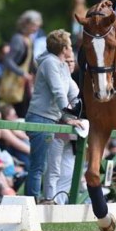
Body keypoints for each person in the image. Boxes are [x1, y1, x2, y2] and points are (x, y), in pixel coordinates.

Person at [24, 29, 84, 202]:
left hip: (51, 118)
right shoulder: (50, 63)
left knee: (41, 165)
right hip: (40, 117)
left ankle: (38, 201)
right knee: (38, 166)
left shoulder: (62, 66)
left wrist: (85, 111)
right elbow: (58, 92)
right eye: (70, 46)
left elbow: (73, 92)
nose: (71, 49)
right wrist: (69, 113)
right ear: (64, 48)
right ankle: (32, 203)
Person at [43, 50, 80, 204]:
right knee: (53, 169)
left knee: (69, 172)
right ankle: (49, 201)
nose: (70, 64)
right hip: (57, 129)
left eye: (72, 61)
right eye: (67, 61)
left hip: (72, 135)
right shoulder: (55, 80)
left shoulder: (74, 82)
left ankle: (59, 204)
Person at [1, 10, 40, 118]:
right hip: (15, 83)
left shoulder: (29, 39)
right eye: (33, 25)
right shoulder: (18, 39)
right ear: (26, 24)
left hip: (23, 84)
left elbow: (31, 62)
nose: (36, 29)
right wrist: (22, 73)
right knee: (17, 111)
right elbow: (8, 60)